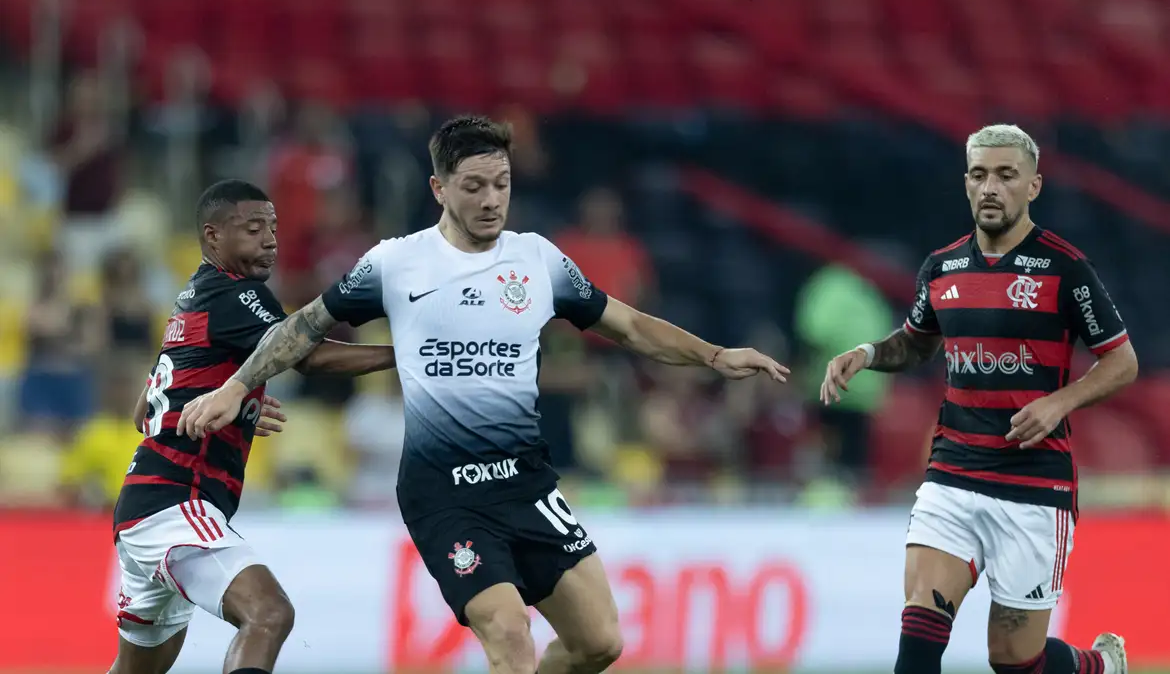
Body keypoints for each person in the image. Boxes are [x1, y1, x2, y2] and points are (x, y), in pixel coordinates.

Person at [177, 116, 790, 674]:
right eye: (473, 185)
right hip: (444, 493)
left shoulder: (538, 262)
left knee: (600, 642)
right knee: (509, 633)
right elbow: (303, 326)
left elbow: (626, 325)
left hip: (527, 483)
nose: (491, 198)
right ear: (440, 188)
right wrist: (238, 384)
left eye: (501, 183)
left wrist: (714, 354)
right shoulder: (397, 264)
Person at [821, 125, 1136, 674]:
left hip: (1034, 485)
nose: (990, 187)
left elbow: (1123, 361)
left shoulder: (1065, 269)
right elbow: (916, 343)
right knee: (917, 642)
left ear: (1033, 186)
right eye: (979, 174)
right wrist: (869, 353)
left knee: (1014, 661)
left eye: (1006, 175)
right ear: (966, 183)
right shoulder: (942, 268)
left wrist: (1059, 402)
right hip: (952, 477)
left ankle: (1099, 667)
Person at [109, 179, 398, 674]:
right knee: (268, 614)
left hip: (146, 506)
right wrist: (411, 355)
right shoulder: (236, 294)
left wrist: (232, 403)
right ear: (213, 236)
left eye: (273, 227)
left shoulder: (192, 299)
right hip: (176, 501)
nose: (270, 239)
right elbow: (307, 357)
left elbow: (144, 413)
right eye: (253, 228)